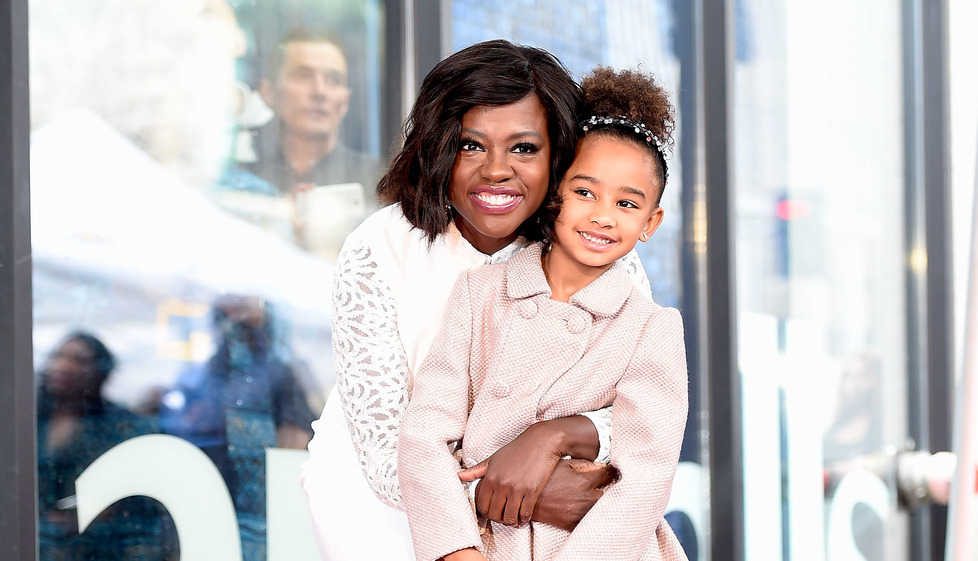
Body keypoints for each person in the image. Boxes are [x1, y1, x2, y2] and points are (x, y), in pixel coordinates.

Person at [301, 40, 652, 560]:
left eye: (524, 148)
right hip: (383, 517)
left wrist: (555, 437)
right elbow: (384, 453)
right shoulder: (380, 247)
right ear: (439, 146)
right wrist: (528, 494)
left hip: (541, 539)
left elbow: (639, 412)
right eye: (471, 145)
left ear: (560, 155)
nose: (495, 170)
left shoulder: (601, 252)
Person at [397, 66, 688, 561]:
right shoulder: (481, 294)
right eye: (585, 192)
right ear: (556, 192)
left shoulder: (651, 329)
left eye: (626, 202)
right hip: (487, 544)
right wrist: (456, 550)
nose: (602, 215)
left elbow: (644, 479)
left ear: (650, 223)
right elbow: (424, 433)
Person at [159, 294, 316, 561]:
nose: (233, 329)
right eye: (224, 319)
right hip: (209, 493)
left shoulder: (280, 371)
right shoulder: (204, 374)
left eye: (244, 322)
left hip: (261, 504)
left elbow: (297, 433)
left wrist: (276, 491)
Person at [237, 26, 382, 246]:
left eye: (333, 80)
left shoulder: (380, 182)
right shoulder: (243, 181)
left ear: (345, 100)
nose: (319, 92)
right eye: (303, 76)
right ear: (268, 93)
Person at [36, 331, 172, 561]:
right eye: (58, 356)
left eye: (78, 360)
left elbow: (132, 504)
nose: (63, 365)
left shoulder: (119, 427)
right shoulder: (32, 422)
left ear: (100, 371)